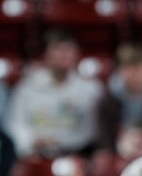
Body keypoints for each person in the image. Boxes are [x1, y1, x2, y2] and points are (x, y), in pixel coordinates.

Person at [4, 29, 104, 159]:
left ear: (77, 54)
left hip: (77, 153)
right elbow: (13, 123)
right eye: (58, 49)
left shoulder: (91, 89)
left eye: (69, 49)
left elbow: (94, 129)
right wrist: (31, 140)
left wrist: (64, 142)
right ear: (46, 54)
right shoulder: (27, 87)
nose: (64, 55)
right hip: (34, 154)